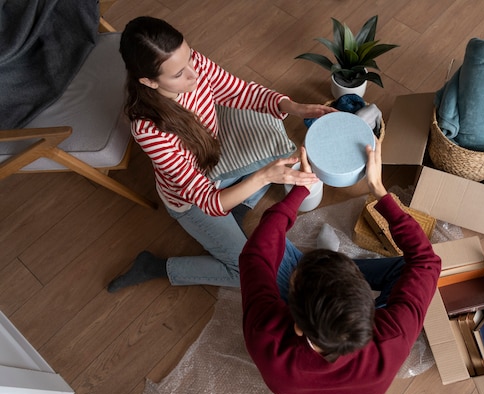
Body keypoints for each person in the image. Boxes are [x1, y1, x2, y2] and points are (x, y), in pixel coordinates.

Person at [106, 16, 335, 293]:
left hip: (215, 164)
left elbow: (239, 92)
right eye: (178, 74)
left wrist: (296, 107)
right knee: (248, 273)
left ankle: (235, 209)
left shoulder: (193, 65)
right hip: (191, 199)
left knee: (279, 152)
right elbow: (207, 200)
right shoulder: (148, 129)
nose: (194, 73)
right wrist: (263, 177)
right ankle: (155, 267)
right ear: (149, 82)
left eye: (189, 57)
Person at [239, 140, 442, 394]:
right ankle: (328, 267)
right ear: (368, 310)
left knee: (277, 243)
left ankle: (317, 264)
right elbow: (426, 261)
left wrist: (299, 192)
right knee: (405, 270)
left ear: (297, 326)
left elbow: (255, 255)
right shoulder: (393, 337)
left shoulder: (267, 336)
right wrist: (381, 193)